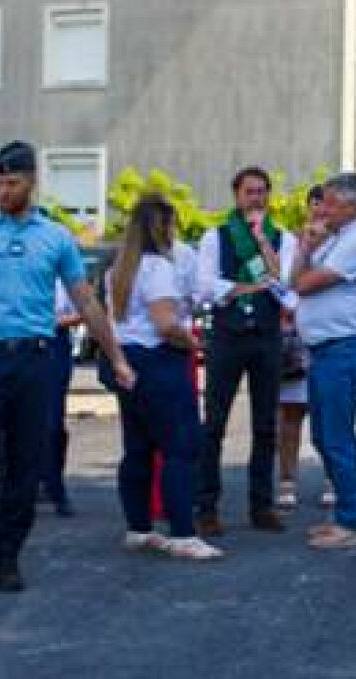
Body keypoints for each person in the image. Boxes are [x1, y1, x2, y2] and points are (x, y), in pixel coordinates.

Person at [0, 140, 136, 596]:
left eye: (13, 182)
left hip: (34, 361)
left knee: (23, 464)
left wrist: (117, 356)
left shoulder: (55, 238)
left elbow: (85, 300)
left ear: (32, 182)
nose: (4, 191)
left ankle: (7, 558)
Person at [103, 194, 222, 560]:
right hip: (159, 361)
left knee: (138, 448)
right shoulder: (157, 268)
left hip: (127, 359)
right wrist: (193, 344)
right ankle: (184, 533)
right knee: (181, 448)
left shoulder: (118, 269)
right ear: (162, 227)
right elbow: (166, 324)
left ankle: (139, 528)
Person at [195, 166, 296, 536]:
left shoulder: (282, 238)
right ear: (236, 196)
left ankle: (261, 505)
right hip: (227, 335)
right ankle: (206, 506)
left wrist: (262, 241)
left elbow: (285, 284)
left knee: (266, 424)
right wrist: (245, 289)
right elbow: (204, 286)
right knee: (215, 423)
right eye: (250, 192)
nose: (257, 198)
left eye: (262, 192)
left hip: (266, 336)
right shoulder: (214, 236)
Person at [293, 173, 356, 550]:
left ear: (350, 206)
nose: (322, 209)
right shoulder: (339, 238)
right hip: (328, 349)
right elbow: (294, 278)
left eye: (330, 203)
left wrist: (306, 253)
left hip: (344, 349)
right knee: (324, 435)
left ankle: (351, 521)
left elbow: (302, 285)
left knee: (335, 437)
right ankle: (352, 511)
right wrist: (306, 246)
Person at [277, 185, 334, 511]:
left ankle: (332, 478)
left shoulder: (341, 244)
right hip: (293, 339)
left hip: (326, 335)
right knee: (289, 414)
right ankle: (287, 480)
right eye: (315, 204)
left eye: (325, 205)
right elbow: (281, 282)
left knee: (330, 414)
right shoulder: (288, 243)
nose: (320, 210)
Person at [39, 279, 81, 518]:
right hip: (22, 338)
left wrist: (52, 322)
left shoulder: (61, 274)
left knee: (53, 421)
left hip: (54, 339)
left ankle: (54, 485)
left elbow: (81, 311)